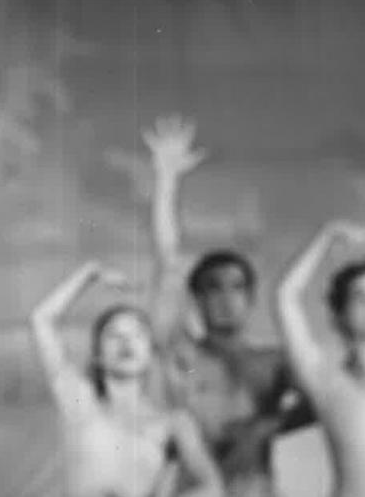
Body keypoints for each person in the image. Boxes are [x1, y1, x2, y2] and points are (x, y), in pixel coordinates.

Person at [144, 117, 313, 497]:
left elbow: (328, 401)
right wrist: (166, 181)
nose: (224, 297)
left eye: (236, 287)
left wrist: (268, 425)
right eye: (212, 288)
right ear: (197, 298)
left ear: (251, 298)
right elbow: (167, 263)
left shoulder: (275, 363)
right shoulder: (181, 351)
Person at [30, 261, 224, 497]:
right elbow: (41, 319)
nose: (126, 343)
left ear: (150, 354)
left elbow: (211, 487)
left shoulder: (173, 422)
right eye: (114, 335)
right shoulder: (80, 403)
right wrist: (89, 273)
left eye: (137, 335)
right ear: (98, 356)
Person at [276, 220, 365, 497]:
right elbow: (285, 297)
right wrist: (326, 236)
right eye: (361, 298)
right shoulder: (325, 380)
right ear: (339, 315)